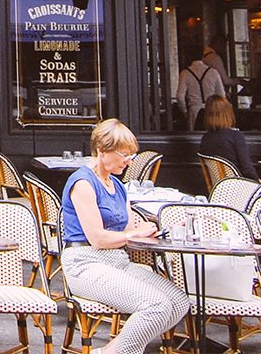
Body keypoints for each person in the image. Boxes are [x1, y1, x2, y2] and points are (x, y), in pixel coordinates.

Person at [59, 119, 188, 354]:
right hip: (85, 262)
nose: (129, 162)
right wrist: (132, 233)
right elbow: (97, 238)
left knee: (179, 303)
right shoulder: (82, 183)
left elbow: (129, 229)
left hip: (117, 262)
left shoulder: (118, 186)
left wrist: (157, 229)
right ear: (101, 150)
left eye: (132, 156)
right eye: (124, 155)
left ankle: (108, 351)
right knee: (156, 305)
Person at [198, 95, 258, 179]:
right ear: (228, 113)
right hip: (240, 186)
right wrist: (258, 181)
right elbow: (247, 169)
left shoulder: (205, 139)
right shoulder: (236, 136)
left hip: (220, 188)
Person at [176, 54, 224, 130]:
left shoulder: (185, 73)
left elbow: (180, 97)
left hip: (194, 110)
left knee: (195, 137)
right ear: (202, 57)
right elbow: (221, 95)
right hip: (211, 109)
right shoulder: (213, 72)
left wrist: (185, 111)